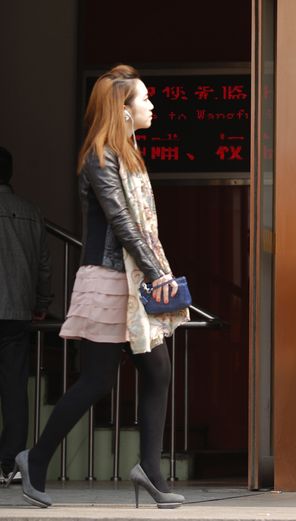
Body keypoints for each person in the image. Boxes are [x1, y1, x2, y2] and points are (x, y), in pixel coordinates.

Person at [7, 65, 188, 509]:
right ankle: (37, 457)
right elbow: (122, 222)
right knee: (96, 379)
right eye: (144, 99)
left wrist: (151, 269)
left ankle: (149, 469)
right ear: (122, 110)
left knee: (157, 368)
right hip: (109, 279)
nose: (151, 105)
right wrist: (157, 272)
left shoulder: (126, 154)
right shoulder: (101, 155)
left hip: (131, 277)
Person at [0, 147, 52, 486]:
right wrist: (42, 301)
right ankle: (10, 463)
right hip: (17, 311)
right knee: (14, 387)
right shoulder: (31, 212)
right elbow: (44, 265)